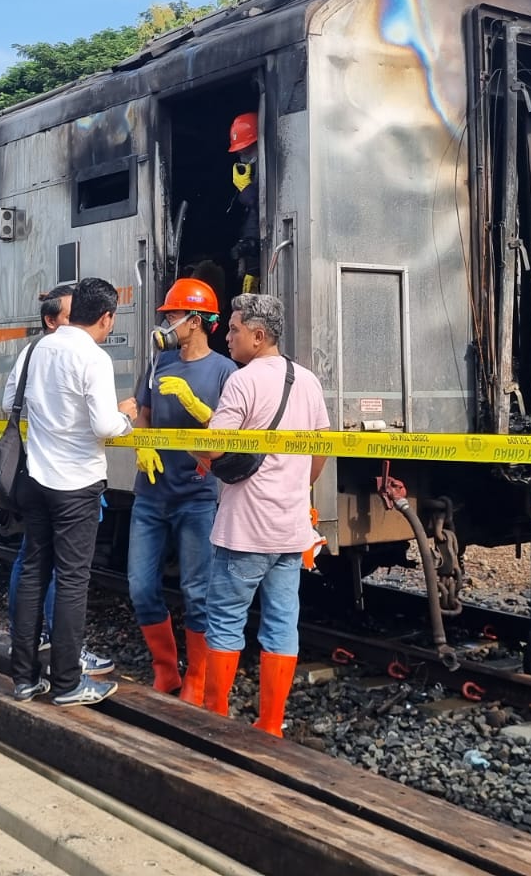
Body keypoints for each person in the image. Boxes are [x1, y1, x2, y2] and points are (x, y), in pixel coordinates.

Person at [194, 293, 329, 736]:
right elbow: (319, 449)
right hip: (291, 530)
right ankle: (271, 723)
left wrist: (188, 441)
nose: (226, 336)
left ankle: (216, 717)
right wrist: (297, 489)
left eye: (233, 330)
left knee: (226, 620)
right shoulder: (306, 380)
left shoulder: (243, 381)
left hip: (244, 530)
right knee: (280, 624)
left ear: (257, 335)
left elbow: (215, 446)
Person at [8, 277, 133, 705]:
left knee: (32, 573)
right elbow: (103, 426)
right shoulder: (93, 357)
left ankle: (24, 679)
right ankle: (66, 683)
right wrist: (125, 418)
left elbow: (15, 403)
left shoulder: (40, 347)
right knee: (73, 582)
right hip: (76, 486)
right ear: (106, 317)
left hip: (36, 480)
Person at [129, 278, 235, 703]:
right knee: (140, 585)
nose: (168, 322)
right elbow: (143, 414)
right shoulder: (158, 363)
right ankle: (165, 669)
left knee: (197, 590)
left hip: (197, 494)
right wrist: (143, 443)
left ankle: (197, 678)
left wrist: (195, 405)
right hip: (151, 492)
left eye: (173, 316)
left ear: (196, 321)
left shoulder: (225, 370)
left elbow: (230, 436)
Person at [227, 113, 261, 294]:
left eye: (247, 150)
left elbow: (264, 209)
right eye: (240, 152)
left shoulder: (270, 170)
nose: (243, 156)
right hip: (253, 258)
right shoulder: (253, 173)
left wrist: (246, 188)